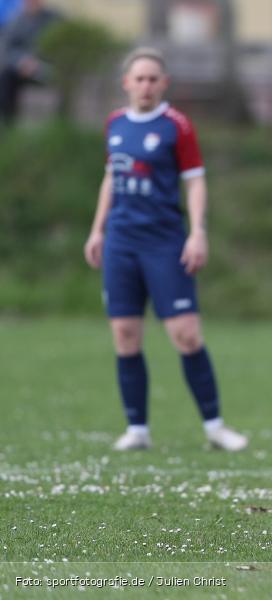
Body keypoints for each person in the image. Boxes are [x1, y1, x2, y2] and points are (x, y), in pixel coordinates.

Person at [83, 47, 248, 452]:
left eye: (153, 78)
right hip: (121, 241)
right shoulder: (115, 123)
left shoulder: (177, 126)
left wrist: (197, 233)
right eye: (138, 78)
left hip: (163, 241)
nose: (145, 85)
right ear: (126, 83)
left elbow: (195, 181)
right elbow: (111, 177)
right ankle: (137, 429)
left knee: (186, 334)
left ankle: (214, 427)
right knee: (125, 334)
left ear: (164, 83)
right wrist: (97, 229)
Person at [0, 0, 57, 125]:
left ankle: (59, 125)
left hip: (47, 70)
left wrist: (37, 62)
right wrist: (22, 62)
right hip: (22, 70)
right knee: (6, 77)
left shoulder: (54, 19)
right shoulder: (16, 20)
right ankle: (8, 123)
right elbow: (7, 48)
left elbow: (59, 46)